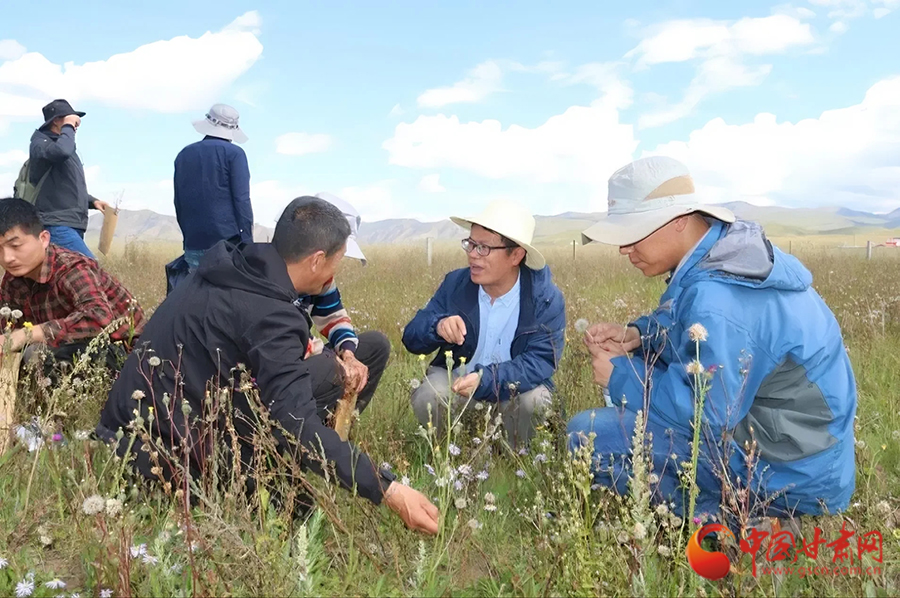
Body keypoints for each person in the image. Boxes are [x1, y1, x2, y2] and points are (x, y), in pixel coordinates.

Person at [96, 197, 439, 534]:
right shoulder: (270, 313)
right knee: (298, 517)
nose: (336, 273)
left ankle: (307, 455)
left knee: (292, 470)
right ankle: (300, 462)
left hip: (127, 437)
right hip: (166, 459)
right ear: (317, 260)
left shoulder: (236, 267)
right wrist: (388, 489)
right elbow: (294, 421)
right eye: (338, 261)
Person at [567, 156, 857, 520]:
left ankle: (736, 520)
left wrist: (620, 376)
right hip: (799, 452)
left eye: (631, 234)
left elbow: (706, 411)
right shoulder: (724, 257)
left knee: (588, 435)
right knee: (640, 379)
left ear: (679, 222)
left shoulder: (718, 297)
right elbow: (688, 329)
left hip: (787, 475)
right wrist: (638, 336)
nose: (624, 249)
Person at [402, 200, 566, 449]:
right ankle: (448, 453)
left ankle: (514, 461)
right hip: (457, 379)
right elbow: (411, 336)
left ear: (516, 255)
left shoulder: (544, 298)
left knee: (535, 403)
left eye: (484, 248)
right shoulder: (456, 284)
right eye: (470, 244)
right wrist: (437, 326)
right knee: (429, 395)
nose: (472, 254)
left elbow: (540, 361)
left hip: (513, 387)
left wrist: (487, 379)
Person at [0, 198, 144, 373]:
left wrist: (27, 334)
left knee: (35, 354)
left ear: (43, 239)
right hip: (66, 346)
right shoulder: (13, 279)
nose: (7, 258)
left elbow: (99, 318)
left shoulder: (71, 268)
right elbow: (8, 328)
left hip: (124, 352)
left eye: (15, 245)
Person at [293, 192, 389, 418]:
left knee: (376, 345)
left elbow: (334, 317)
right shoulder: (276, 274)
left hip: (305, 358)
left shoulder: (322, 279)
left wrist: (348, 355)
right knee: (326, 369)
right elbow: (285, 345)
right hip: (274, 372)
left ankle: (338, 425)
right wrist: (334, 363)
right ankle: (303, 439)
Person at [173, 103, 253, 274]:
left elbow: (178, 201)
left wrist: (187, 237)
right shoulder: (235, 154)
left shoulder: (183, 155)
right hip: (227, 246)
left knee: (197, 296)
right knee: (227, 298)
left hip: (193, 243)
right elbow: (242, 200)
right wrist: (247, 242)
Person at [26, 99, 110, 259]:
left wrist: (92, 202)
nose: (76, 124)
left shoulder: (62, 147)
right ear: (56, 121)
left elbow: (66, 187)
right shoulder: (41, 143)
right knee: (89, 268)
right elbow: (62, 151)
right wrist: (68, 125)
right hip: (56, 223)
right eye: (70, 118)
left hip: (70, 223)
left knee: (62, 276)